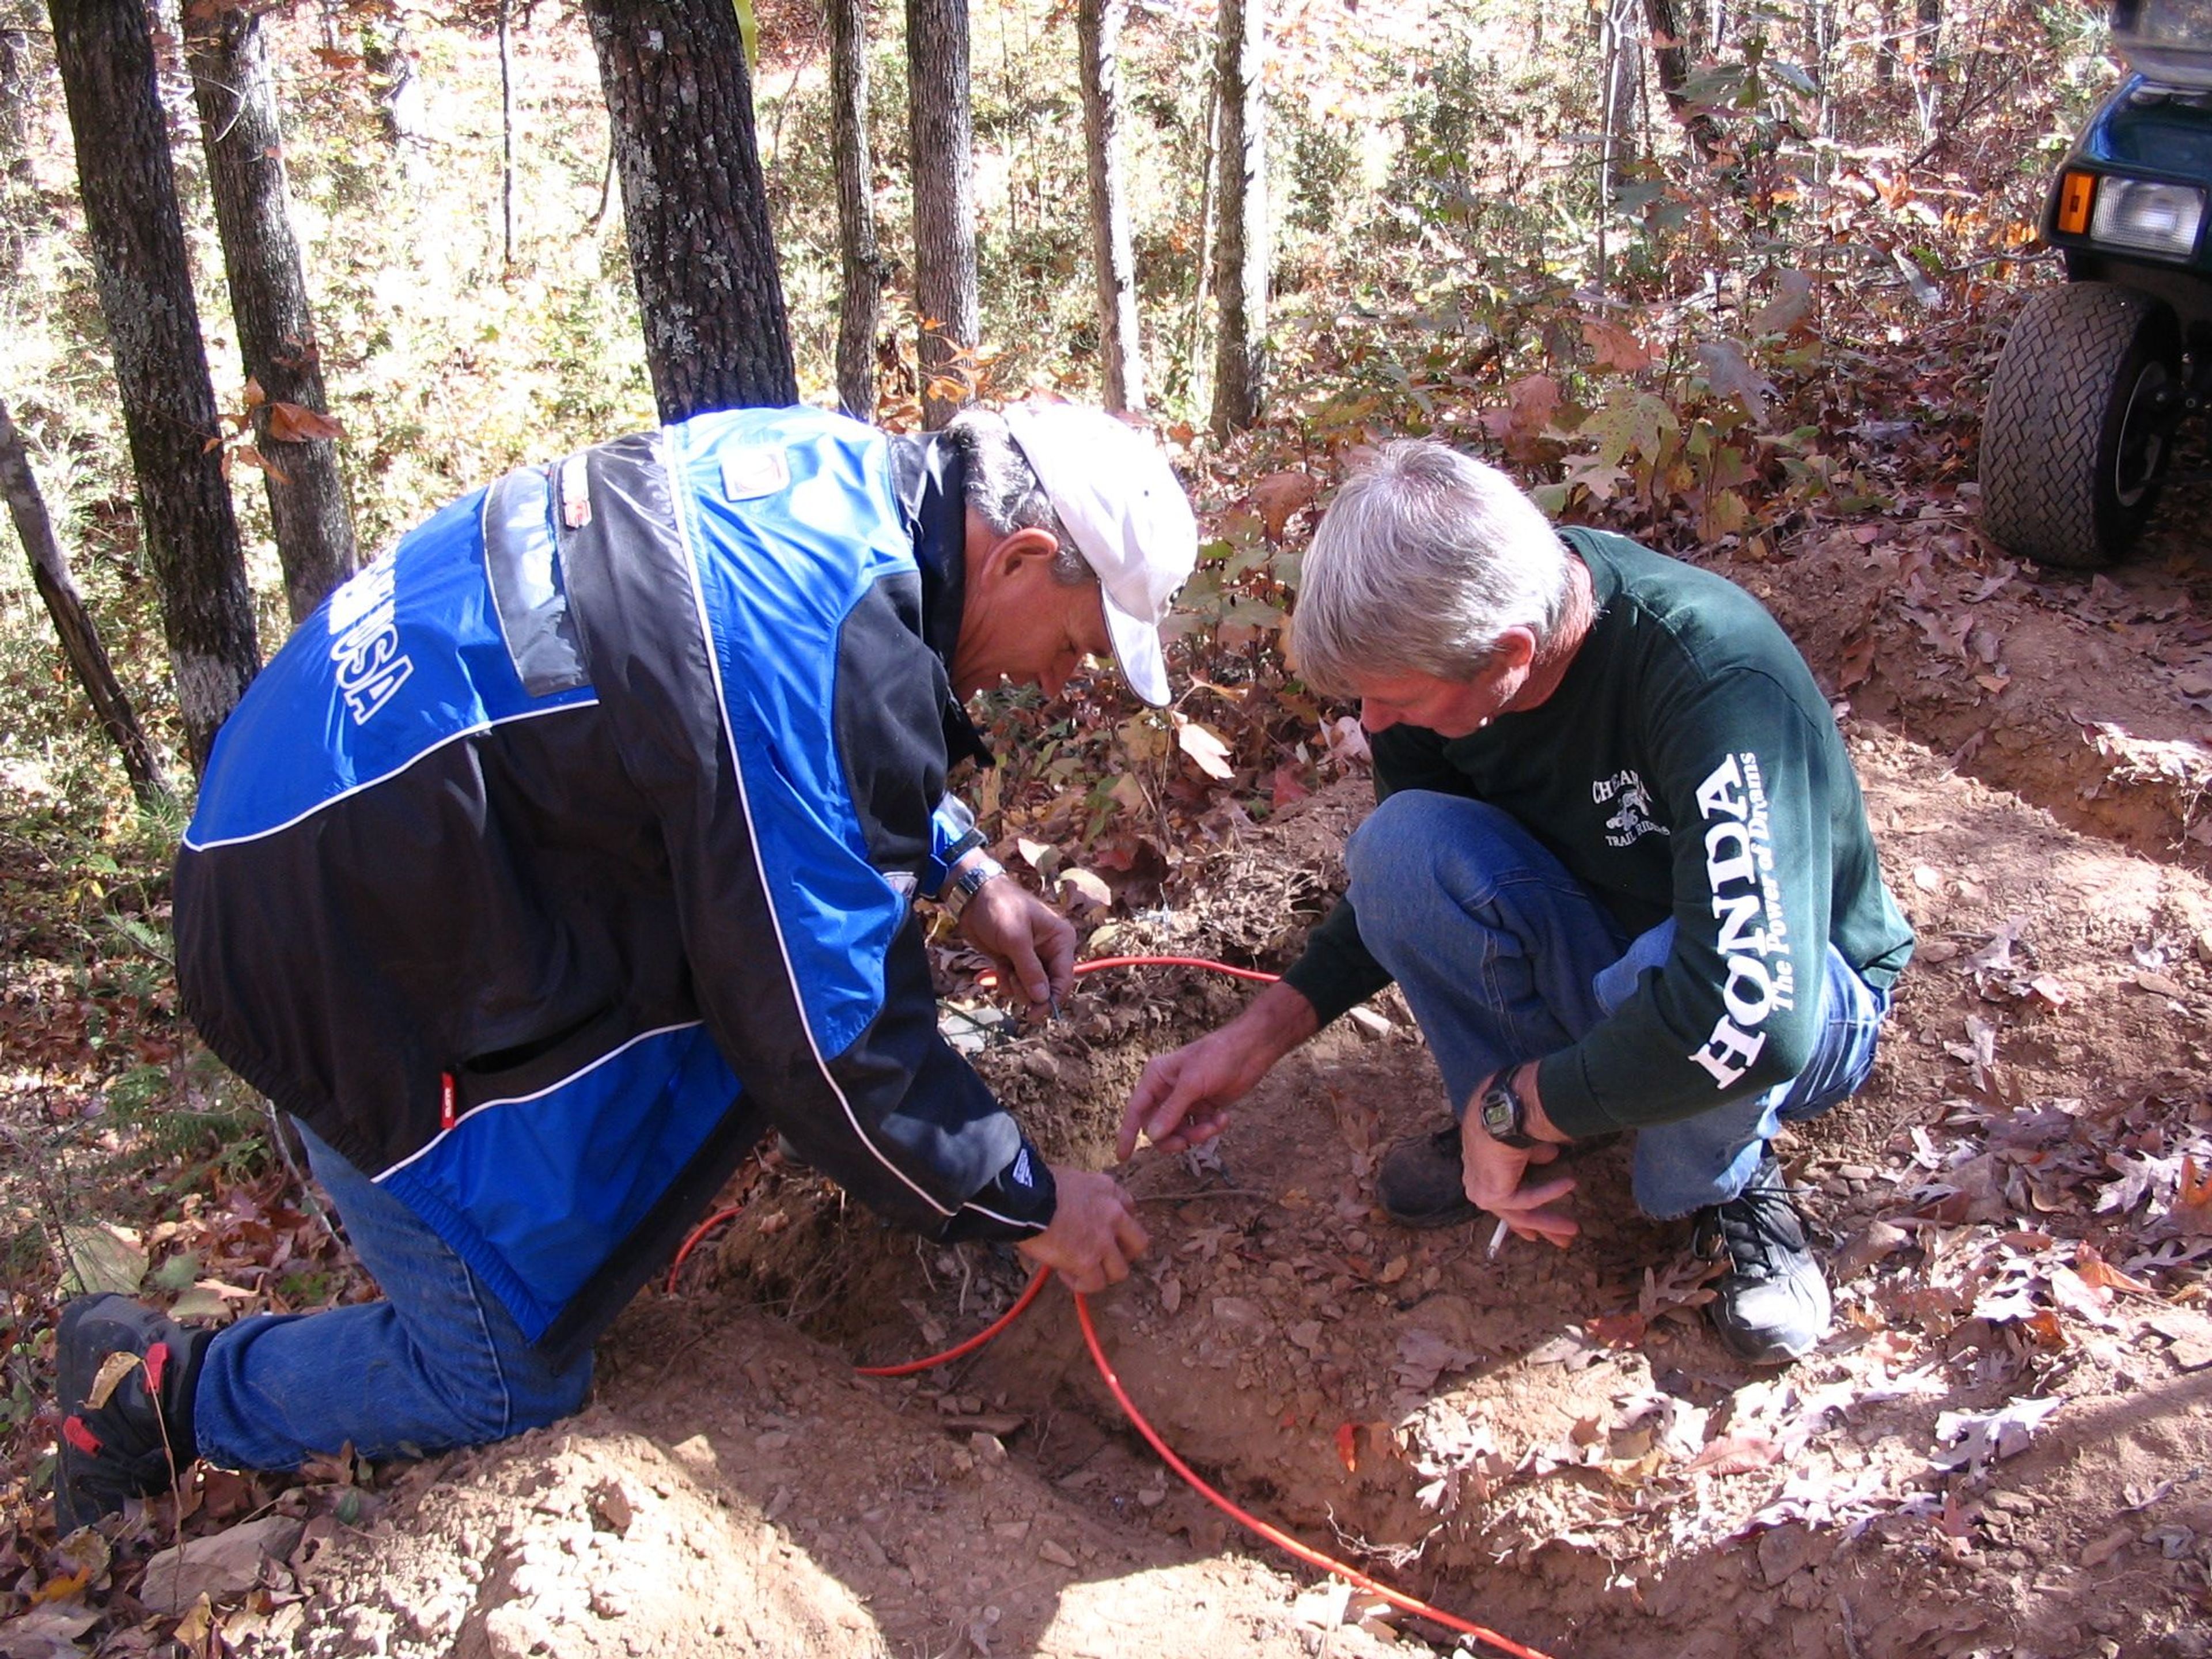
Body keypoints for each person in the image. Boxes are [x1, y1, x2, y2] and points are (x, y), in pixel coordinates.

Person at [54, 401, 1194, 1533]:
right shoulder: (823, 631)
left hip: (331, 794)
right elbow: (829, 1035)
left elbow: (752, 724)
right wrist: (1028, 1201)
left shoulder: (831, 481)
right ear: (1027, 558)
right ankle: (156, 1394)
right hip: (314, 914)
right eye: (1077, 646)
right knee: (502, 1378)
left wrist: (962, 863)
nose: (1055, 684)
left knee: (742, 974)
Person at [1119, 440, 1911, 1366]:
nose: (1369, 723)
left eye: (1392, 698)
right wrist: (1247, 1042)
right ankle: (1546, 1127)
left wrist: (1515, 1105)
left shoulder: (1708, 675)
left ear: (1509, 656)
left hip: (1799, 994)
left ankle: (1721, 1185)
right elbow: (1409, 885)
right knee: (1399, 848)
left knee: (1675, 978)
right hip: (1613, 949)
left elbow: (1754, 1014)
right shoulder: (1446, 657)